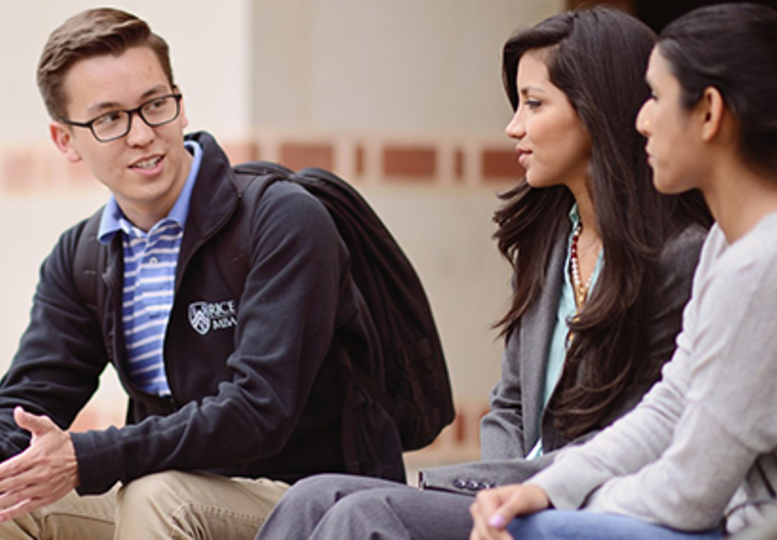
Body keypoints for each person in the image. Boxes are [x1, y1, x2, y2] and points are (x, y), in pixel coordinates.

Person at [0, 8, 405, 539]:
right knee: (2, 503)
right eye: (109, 119)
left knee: (157, 493)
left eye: (155, 106)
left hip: (315, 501)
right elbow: (35, 390)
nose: (143, 135)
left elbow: (258, 410)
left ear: (180, 103)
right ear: (65, 140)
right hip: (182, 493)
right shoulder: (84, 256)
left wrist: (89, 456)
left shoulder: (280, 219)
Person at [254, 7, 711, 539]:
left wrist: (496, 489)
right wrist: (488, 486)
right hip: (506, 493)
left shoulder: (681, 257)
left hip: (595, 503)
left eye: (533, 104)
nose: (513, 126)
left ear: (596, 110)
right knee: (314, 493)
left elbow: (644, 433)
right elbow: (510, 404)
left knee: (365, 514)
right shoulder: (548, 245)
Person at [470, 3, 777, 540]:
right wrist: (547, 487)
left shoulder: (759, 264)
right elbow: (669, 405)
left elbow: (693, 487)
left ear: (708, 112)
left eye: (656, 97)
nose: (640, 119)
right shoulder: (726, 248)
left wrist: (555, 509)